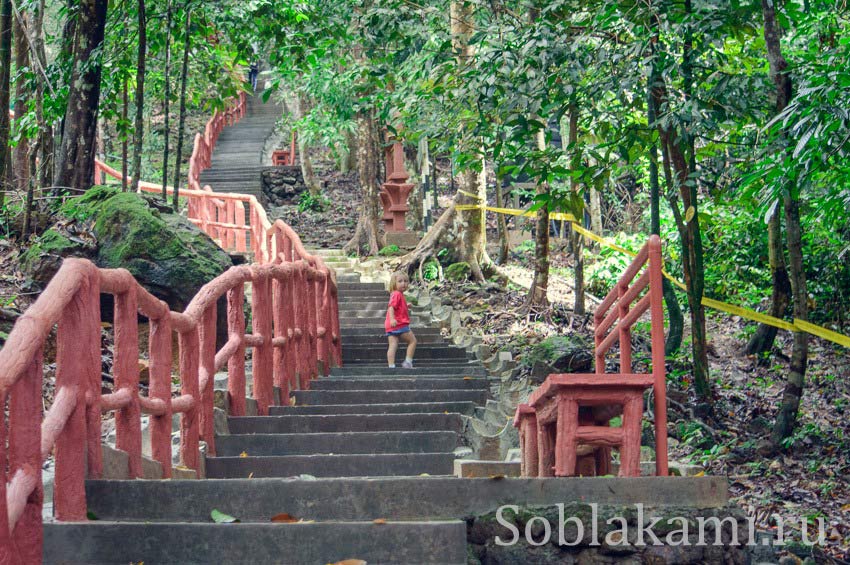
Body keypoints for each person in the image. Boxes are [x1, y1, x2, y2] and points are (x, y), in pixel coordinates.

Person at [385, 272, 417, 368]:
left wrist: (406, 306)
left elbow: (397, 307)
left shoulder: (397, 295)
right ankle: (408, 362)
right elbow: (391, 307)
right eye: (400, 281)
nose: (403, 283)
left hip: (391, 326)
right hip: (399, 324)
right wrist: (392, 319)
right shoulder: (397, 294)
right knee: (413, 341)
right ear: (394, 283)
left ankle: (391, 366)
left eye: (406, 281)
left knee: (393, 345)